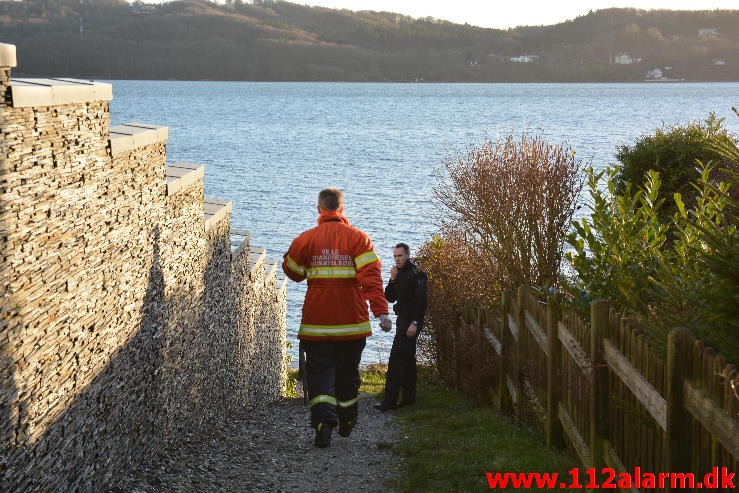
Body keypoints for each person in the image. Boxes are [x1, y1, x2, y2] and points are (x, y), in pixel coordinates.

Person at [282, 188, 391, 448]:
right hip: (352, 325)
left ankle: (323, 422)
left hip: (317, 326)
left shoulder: (305, 239)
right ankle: (347, 418)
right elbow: (372, 280)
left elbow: (293, 272)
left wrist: (297, 257)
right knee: (348, 375)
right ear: (342, 209)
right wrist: (382, 312)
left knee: (319, 375)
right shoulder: (359, 239)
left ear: (319, 209)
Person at [375, 243, 428, 411]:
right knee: (408, 361)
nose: (397, 259)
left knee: (397, 360)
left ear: (408, 255)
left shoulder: (417, 275)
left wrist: (415, 323)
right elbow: (390, 298)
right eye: (395, 256)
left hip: (411, 322)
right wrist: (392, 279)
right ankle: (408, 399)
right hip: (402, 321)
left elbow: (421, 303)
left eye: (400, 256)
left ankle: (389, 401)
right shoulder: (398, 273)